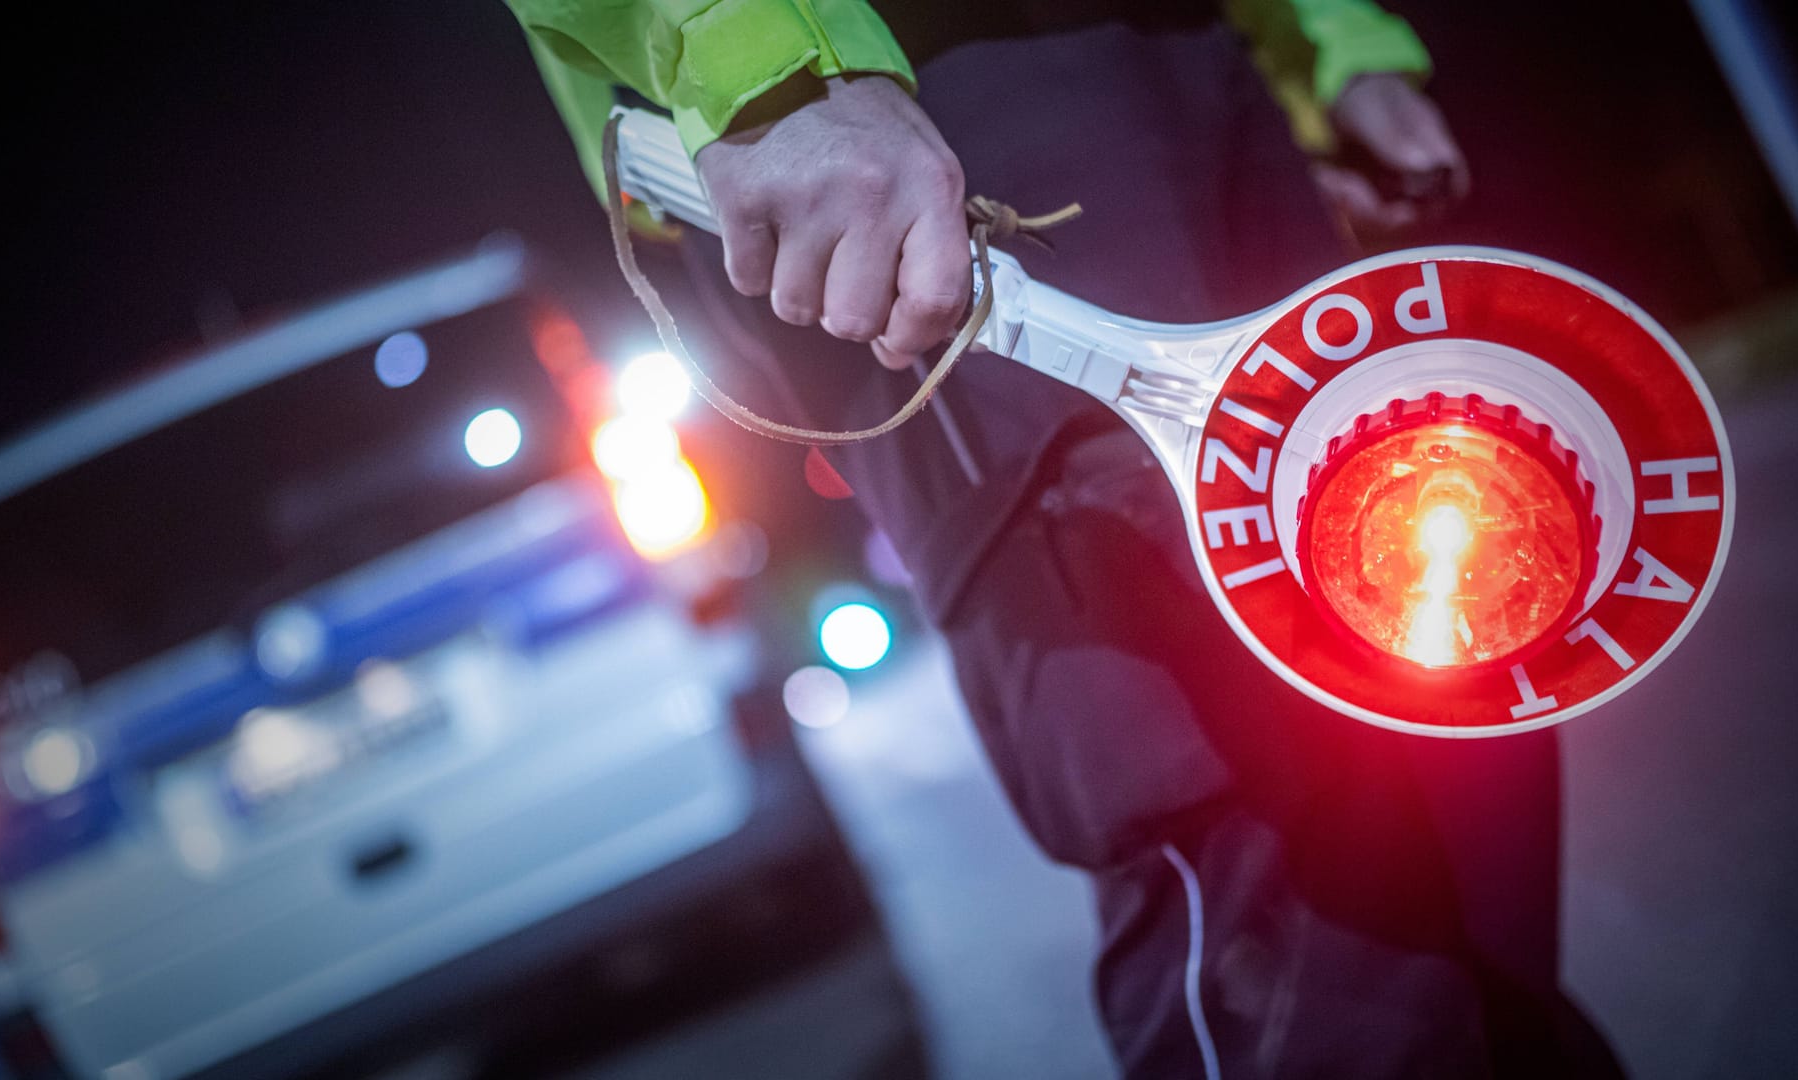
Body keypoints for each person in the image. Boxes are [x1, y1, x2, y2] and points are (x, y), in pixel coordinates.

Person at [505, 2, 1624, 1076]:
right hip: (900, 83)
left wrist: (1324, 48)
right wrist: (768, 69)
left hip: (1193, 45)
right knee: (1236, 815)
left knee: (1453, 698)